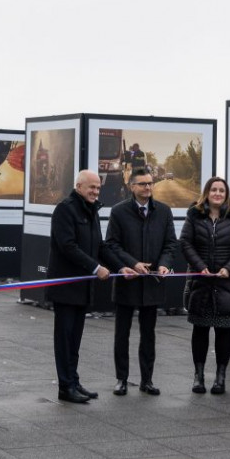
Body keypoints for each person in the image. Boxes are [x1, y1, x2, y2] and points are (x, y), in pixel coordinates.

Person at [101, 168, 177, 396]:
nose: (148, 188)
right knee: (121, 333)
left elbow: (170, 244)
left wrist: (164, 264)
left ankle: (147, 380)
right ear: (132, 186)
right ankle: (121, 379)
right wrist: (133, 263)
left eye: (150, 183)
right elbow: (112, 245)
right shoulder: (119, 211)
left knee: (149, 334)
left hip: (152, 283)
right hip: (127, 281)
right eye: (143, 184)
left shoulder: (163, 212)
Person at [180, 176, 230, 395]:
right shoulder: (194, 214)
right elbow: (185, 242)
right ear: (207, 193)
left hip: (225, 283)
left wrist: (229, 268)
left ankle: (220, 378)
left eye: (222, 190)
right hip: (200, 282)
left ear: (226, 194)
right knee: (199, 330)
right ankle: (198, 377)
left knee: (223, 331)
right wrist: (200, 266)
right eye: (214, 190)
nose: (218, 194)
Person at [47, 170, 111, 403]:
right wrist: (96, 268)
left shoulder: (91, 210)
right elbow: (67, 246)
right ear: (78, 186)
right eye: (91, 187)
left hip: (82, 289)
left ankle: (73, 381)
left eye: (97, 188)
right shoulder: (65, 209)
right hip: (66, 287)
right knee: (64, 340)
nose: (95, 191)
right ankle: (65, 387)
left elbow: (100, 247)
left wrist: (126, 266)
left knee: (74, 340)